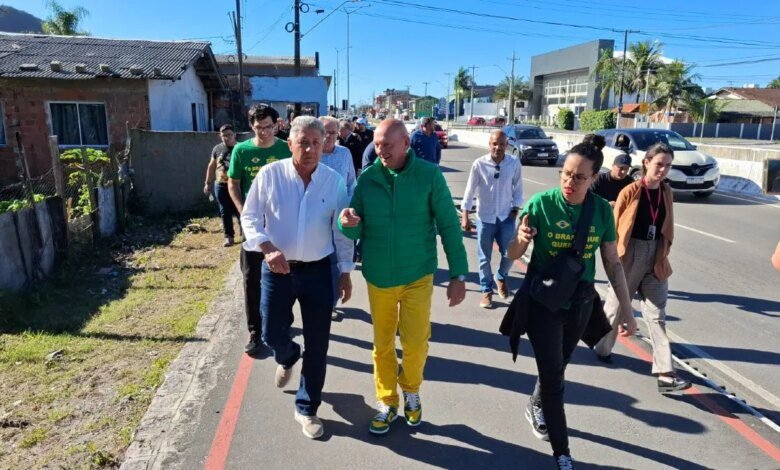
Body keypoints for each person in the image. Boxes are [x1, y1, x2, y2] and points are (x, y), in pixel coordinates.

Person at [506, 143, 634, 469]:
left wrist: (627, 309)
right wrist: (522, 238)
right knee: (554, 379)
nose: (569, 182)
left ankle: (535, 404)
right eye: (565, 174)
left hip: (580, 303)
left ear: (593, 178)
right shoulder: (541, 204)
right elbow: (512, 253)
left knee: (558, 366)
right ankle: (562, 452)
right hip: (544, 304)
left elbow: (612, 262)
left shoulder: (600, 211)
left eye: (579, 177)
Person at [339, 119, 468, 435]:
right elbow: (355, 227)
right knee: (382, 345)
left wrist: (458, 274)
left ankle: (411, 390)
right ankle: (387, 401)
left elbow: (449, 226)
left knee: (415, 343)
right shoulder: (367, 179)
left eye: (387, 144)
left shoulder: (429, 176)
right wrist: (347, 222)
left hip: (417, 275)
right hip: (379, 277)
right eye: (377, 144)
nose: (380, 150)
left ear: (406, 144)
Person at [241, 116, 354, 439]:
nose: (310, 149)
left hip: (319, 270)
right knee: (270, 333)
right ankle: (288, 355)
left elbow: (341, 231)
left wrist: (345, 271)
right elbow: (250, 216)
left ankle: (307, 407)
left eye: (316, 143)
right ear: (289, 143)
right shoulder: (270, 175)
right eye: (303, 143)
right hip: (277, 268)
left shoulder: (333, 181)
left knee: (318, 344)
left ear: (325, 144)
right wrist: (266, 248)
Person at [594, 143, 692, 392]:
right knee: (616, 307)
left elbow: (667, 225)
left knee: (657, 315)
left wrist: (663, 251)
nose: (663, 170)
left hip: (656, 254)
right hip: (630, 253)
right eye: (659, 164)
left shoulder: (666, 192)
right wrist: (614, 258)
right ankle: (602, 346)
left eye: (668, 165)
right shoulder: (630, 191)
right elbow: (614, 226)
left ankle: (665, 374)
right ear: (646, 163)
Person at [227, 104, 292, 356]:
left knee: (283, 274)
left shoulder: (285, 149)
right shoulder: (242, 151)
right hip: (253, 224)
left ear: (276, 125)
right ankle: (255, 331)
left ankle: (282, 322)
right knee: (251, 278)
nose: (263, 132)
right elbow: (233, 183)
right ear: (250, 126)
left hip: (280, 223)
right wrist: (243, 211)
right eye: (258, 127)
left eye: (268, 127)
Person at [461, 130, 523, 308]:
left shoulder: (513, 163)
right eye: (495, 144)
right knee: (484, 258)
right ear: (490, 144)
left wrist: (514, 211)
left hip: (506, 217)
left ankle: (501, 276)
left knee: (510, 253)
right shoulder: (479, 164)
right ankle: (486, 290)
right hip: (485, 218)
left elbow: (518, 189)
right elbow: (469, 191)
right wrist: (465, 215)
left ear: (506, 145)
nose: (498, 147)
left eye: (502, 144)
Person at [319, 116, 357, 317]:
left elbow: (351, 182)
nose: (328, 137)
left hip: (339, 215)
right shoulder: (312, 153)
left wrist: (350, 206)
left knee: (337, 260)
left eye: (333, 133)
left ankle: (331, 303)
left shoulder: (344, 153)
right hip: (315, 217)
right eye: (324, 132)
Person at [204, 124, 240, 246]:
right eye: (223, 135)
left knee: (241, 209)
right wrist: (207, 183)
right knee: (225, 211)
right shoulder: (217, 149)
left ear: (234, 134)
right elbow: (211, 166)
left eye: (229, 135)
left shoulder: (241, 148)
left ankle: (246, 233)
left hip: (237, 185)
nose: (226, 138)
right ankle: (228, 236)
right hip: (221, 185)